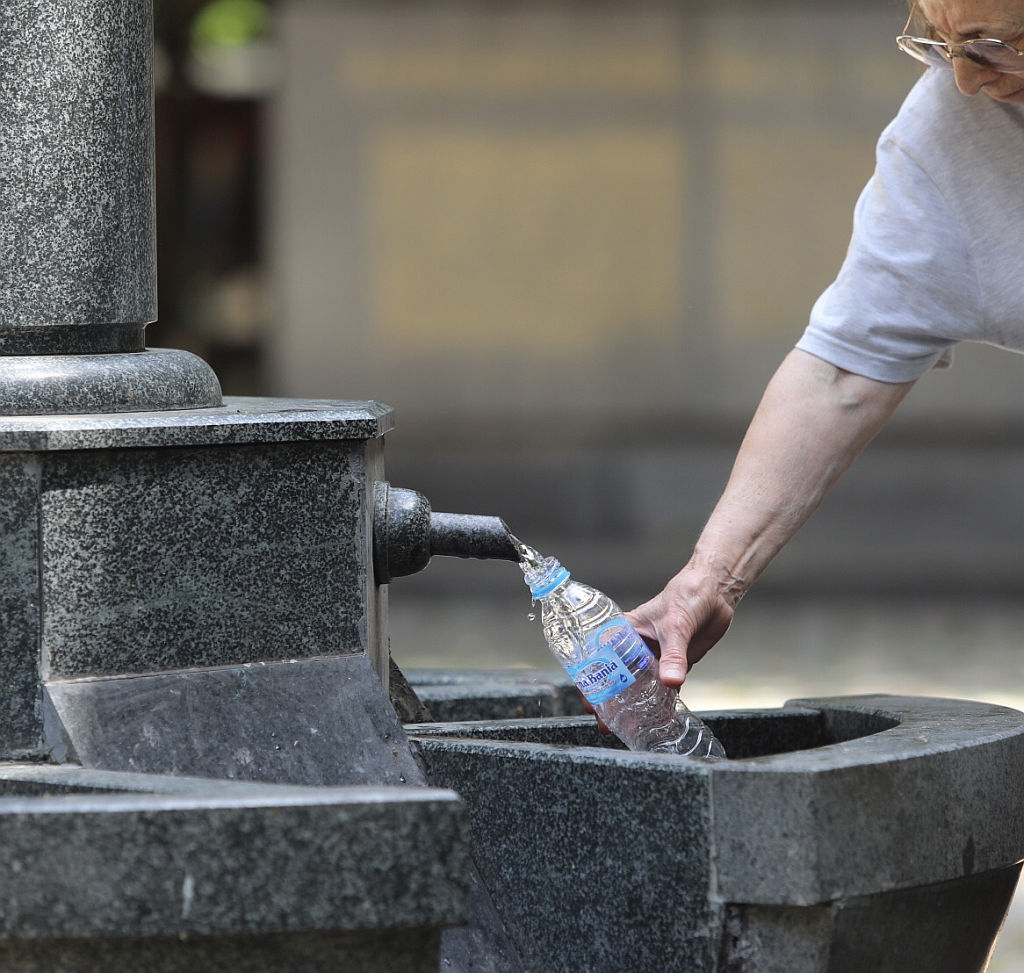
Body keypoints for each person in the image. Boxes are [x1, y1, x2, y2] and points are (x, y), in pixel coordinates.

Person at [626, 0, 1024, 687]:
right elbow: (839, 375)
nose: (962, 78)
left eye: (995, 45)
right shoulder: (944, 140)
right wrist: (710, 576)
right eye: (936, 38)